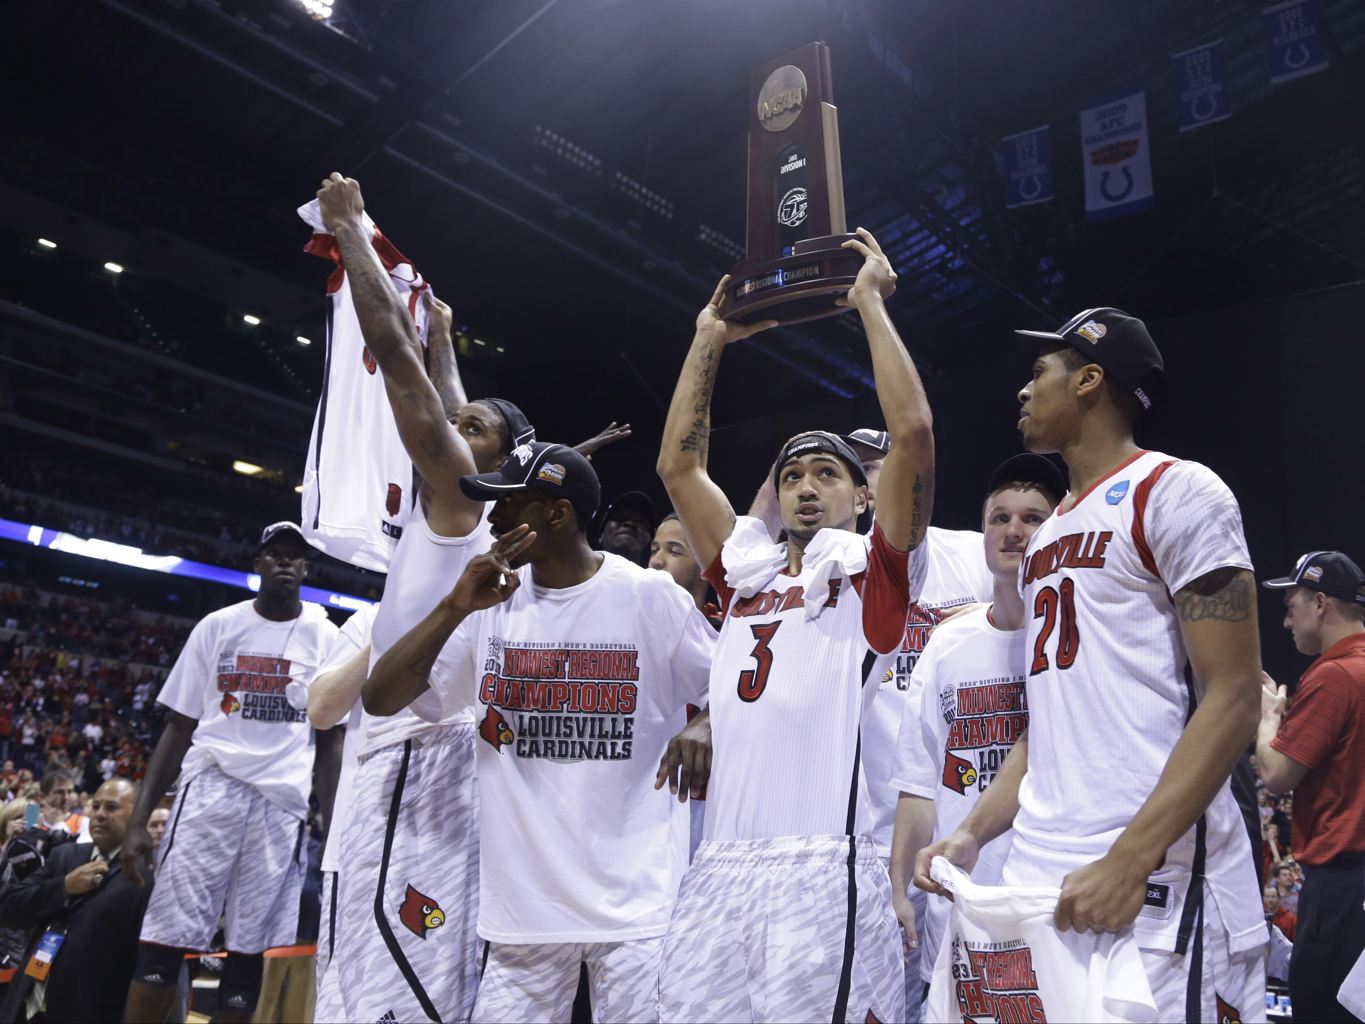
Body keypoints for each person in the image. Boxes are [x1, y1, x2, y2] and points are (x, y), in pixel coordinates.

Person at [916, 308, 1266, 1020]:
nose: (1022, 391)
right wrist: (973, 831)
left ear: (1088, 380)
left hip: (1151, 865)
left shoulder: (1177, 491)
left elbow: (1232, 697)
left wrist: (1131, 859)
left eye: (1038, 372)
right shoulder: (1047, 540)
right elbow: (1046, 719)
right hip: (1044, 865)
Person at [655, 228, 934, 1023]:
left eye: (827, 474)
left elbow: (912, 436)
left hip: (822, 872)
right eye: (791, 475)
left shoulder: (872, 576)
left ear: (862, 497)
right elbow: (679, 466)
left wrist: (870, 307)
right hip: (721, 864)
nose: (806, 488)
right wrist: (707, 340)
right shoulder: (743, 573)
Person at [365, 442, 715, 1024]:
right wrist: (454, 606)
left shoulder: (649, 596)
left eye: (509, 503)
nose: (494, 517)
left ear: (557, 514)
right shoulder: (488, 604)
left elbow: (735, 690)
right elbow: (380, 699)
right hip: (523, 910)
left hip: (636, 905)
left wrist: (706, 720)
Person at [120, 522, 339, 1024]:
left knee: (248, 952)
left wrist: (332, 827)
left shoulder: (325, 636)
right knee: (163, 940)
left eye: (294, 556)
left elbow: (331, 740)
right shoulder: (217, 626)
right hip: (211, 791)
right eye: (274, 554)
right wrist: (140, 819)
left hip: (281, 807)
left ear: (306, 568)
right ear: (257, 564)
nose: (284, 562)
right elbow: (179, 725)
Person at [887, 453, 1063, 1003]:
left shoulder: (1074, 640)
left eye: (1032, 518)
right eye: (999, 518)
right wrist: (899, 891)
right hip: (960, 902)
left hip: (1049, 899)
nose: (1013, 531)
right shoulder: (947, 644)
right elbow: (919, 783)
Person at [1257, 549, 1365, 1022]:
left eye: (1291, 607)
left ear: (1321, 602)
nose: (1286, 622)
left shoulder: (1335, 675)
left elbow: (1277, 774)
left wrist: (1267, 718)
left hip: (1342, 890)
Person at [0, 778, 149, 1023]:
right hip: (25, 1004)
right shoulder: (65, 855)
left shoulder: (145, 876)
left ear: (139, 814)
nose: (100, 814)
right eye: (96, 806)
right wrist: (64, 886)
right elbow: (8, 908)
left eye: (111, 808)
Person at [649, 513, 717, 621]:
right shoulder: (629, 626)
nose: (655, 561)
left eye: (674, 551)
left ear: (705, 568)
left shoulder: (728, 634)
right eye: (654, 550)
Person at [596, 491, 657, 567]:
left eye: (641, 523)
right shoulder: (577, 570)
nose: (630, 524)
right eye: (620, 518)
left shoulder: (654, 578)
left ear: (649, 540)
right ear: (602, 534)